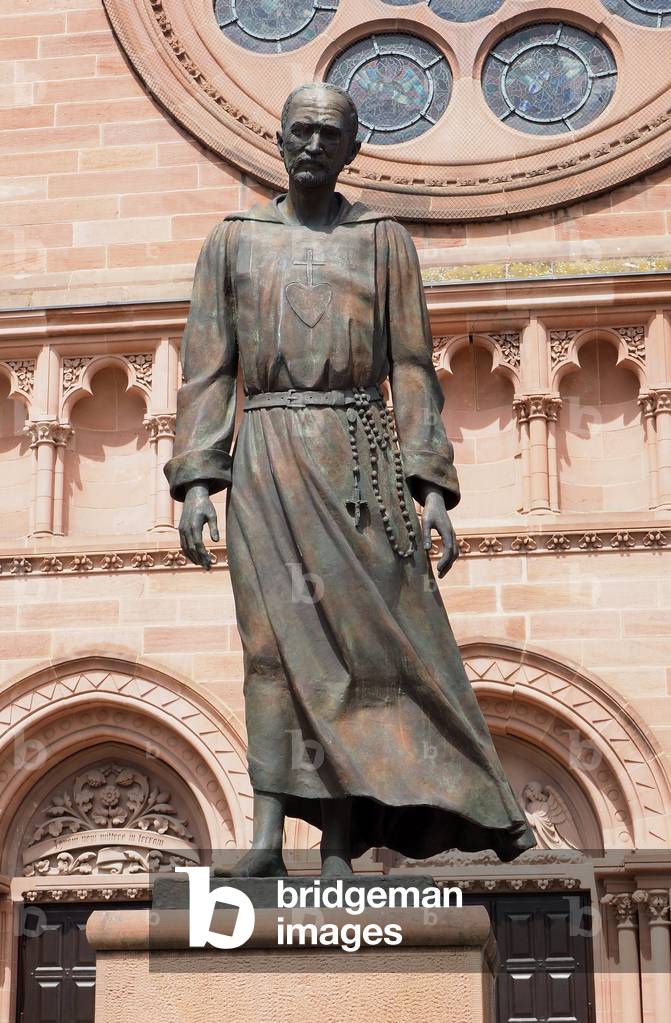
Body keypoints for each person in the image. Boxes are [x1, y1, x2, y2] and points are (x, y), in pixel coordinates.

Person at [165, 82, 535, 877]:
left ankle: (339, 844)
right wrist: (197, 477)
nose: (312, 144)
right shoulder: (232, 241)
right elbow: (208, 365)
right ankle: (266, 840)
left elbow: (412, 365)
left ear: (352, 149)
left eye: (328, 134)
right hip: (265, 454)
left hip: (358, 455)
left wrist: (429, 485)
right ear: (277, 139)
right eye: (299, 130)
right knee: (270, 646)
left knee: (362, 651)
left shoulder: (382, 241)